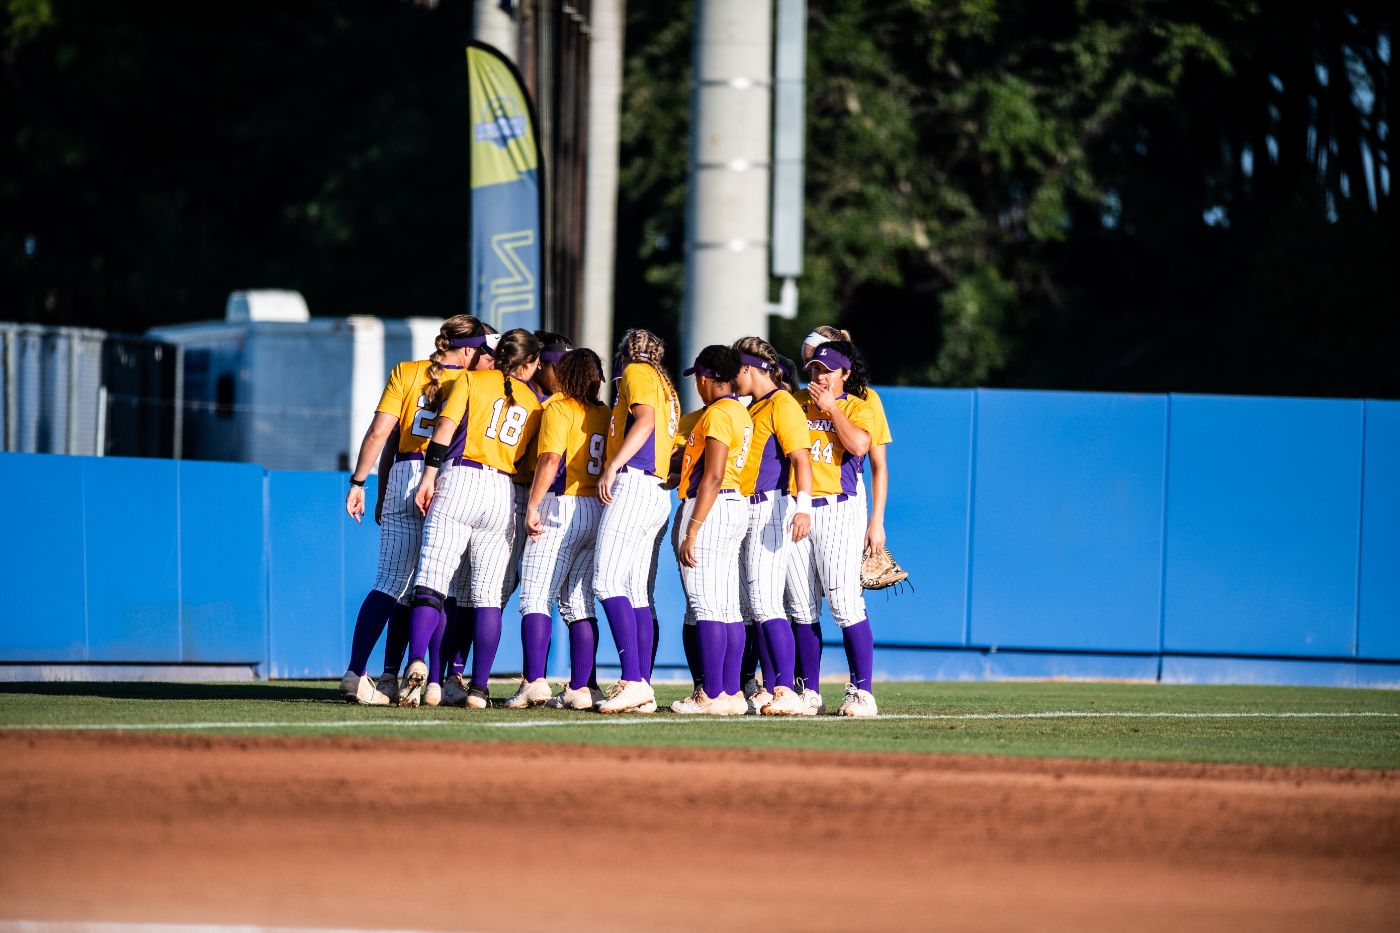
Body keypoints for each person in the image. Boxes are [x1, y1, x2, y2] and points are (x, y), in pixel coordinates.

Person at [337, 314, 488, 706]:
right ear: (469, 349)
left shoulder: (406, 371)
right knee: (439, 587)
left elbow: (379, 434)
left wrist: (360, 483)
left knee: (390, 583)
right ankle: (434, 680)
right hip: (448, 477)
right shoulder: (474, 382)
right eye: (482, 348)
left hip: (404, 471)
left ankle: (360, 673)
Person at [402, 329, 543, 709]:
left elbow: (444, 431)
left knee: (432, 581)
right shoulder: (535, 402)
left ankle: (423, 669)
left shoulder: (470, 378)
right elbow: (529, 462)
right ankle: (479, 689)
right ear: (527, 363)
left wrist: (428, 477)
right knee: (487, 598)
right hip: (501, 491)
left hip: (459, 478)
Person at [505, 347, 611, 710]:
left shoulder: (557, 407)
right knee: (579, 604)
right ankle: (582, 687)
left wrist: (532, 505)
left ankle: (534, 681)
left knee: (535, 598)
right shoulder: (606, 413)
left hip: (560, 503)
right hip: (595, 508)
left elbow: (550, 459)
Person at [784, 339, 881, 717]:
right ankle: (808, 691)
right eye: (814, 370)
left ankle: (862, 692)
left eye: (826, 370)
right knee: (801, 606)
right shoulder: (795, 404)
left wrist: (832, 411)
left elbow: (859, 446)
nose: (818, 376)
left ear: (845, 373)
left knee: (844, 603)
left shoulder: (859, 406)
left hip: (840, 509)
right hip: (798, 508)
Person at [594, 328, 680, 714]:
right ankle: (642, 684)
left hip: (635, 482)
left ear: (627, 353)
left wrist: (613, 464)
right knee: (636, 591)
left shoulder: (638, 373)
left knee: (606, 581)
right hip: (655, 490)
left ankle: (632, 679)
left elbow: (644, 422)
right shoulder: (666, 384)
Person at [729, 336, 813, 716]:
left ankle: (786, 689)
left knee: (766, 602)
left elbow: (801, 458)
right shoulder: (754, 406)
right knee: (753, 605)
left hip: (773, 507)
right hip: (749, 508)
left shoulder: (783, 403)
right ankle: (771, 685)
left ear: (749, 368)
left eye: (736, 370)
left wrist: (804, 506)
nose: (732, 378)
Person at [669, 345, 754, 716]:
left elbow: (714, 474)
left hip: (712, 507)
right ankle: (731, 692)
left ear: (706, 378)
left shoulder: (718, 412)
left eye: (699, 379)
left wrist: (693, 529)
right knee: (727, 607)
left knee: (706, 605)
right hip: (734, 505)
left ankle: (712, 693)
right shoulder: (740, 411)